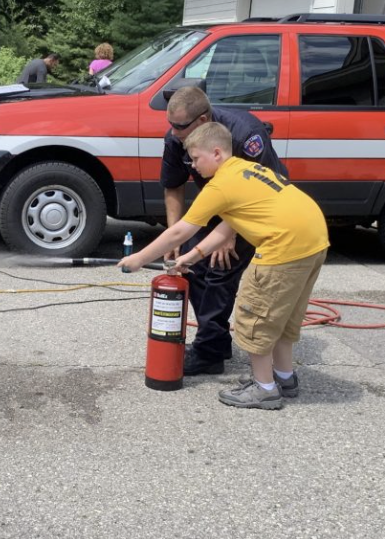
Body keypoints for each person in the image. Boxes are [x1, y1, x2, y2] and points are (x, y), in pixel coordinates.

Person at [119, 122, 329, 410]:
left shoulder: (219, 185)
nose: (192, 166)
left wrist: (139, 259)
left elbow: (180, 231)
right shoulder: (246, 169)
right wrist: (194, 255)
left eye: (195, 158)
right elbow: (231, 222)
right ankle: (284, 377)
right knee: (282, 317)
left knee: (255, 319)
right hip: (314, 241)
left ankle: (264, 389)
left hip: (283, 247)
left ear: (216, 153)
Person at [159, 86, 286, 377]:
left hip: (258, 207)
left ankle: (209, 352)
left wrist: (230, 235)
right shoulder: (175, 138)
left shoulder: (245, 134)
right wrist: (174, 236)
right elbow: (173, 185)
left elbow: (262, 190)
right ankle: (214, 343)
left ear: (202, 121)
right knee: (190, 265)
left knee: (219, 267)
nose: (173, 132)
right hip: (220, 202)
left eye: (180, 126)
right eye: (170, 124)